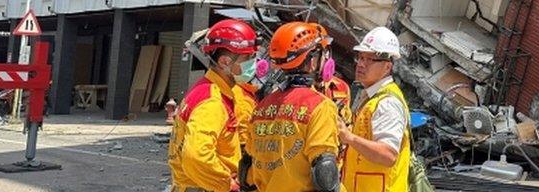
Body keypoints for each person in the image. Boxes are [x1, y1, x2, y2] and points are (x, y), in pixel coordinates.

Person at [247, 22, 341, 192]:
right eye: (322, 53)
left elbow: (246, 173)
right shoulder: (320, 106)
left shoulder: (261, 108)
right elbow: (325, 171)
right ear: (312, 60)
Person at [169, 19, 258, 192]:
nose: (252, 64)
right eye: (248, 58)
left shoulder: (206, 89)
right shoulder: (212, 102)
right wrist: (227, 184)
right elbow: (196, 156)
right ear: (225, 62)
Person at [339, 26, 410, 192]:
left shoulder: (387, 103)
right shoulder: (371, 97)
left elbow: (388, 155)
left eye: (370, 60)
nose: (361, 64)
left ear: (387, 66)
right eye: (361, 57)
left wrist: (349, 138)